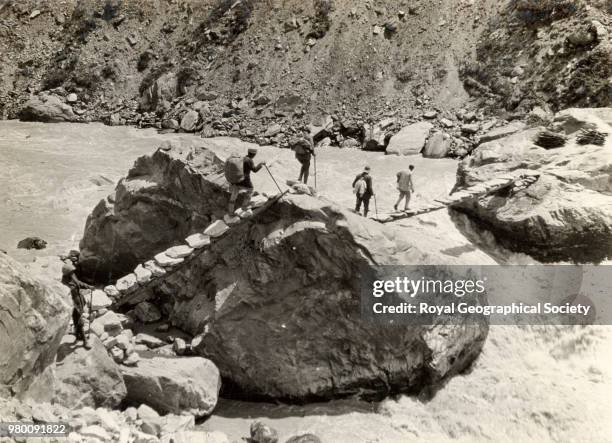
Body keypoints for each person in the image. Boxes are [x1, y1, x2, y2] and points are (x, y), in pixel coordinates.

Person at [61, 251, 93, 349]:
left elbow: (78, 282)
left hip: (79, 300)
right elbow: (66, 296)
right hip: (73, 304)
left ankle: (77, 333)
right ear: (67, 273)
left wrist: (88, 286)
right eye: (71, 271)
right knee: (80, 322)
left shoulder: (72, 275)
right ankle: (84, 341)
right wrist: (73, 306)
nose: (73, 272)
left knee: (77, 321)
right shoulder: (64, 283)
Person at [228, 147, 266, 214]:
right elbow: (255, 170)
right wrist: (260, 164)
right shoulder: (249, 160)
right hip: (245, 180)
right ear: (254, 154)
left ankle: (230, 212)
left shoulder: (242, 158)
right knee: (250, 190)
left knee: (234, 196)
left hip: (236, 179)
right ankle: (244, 206)